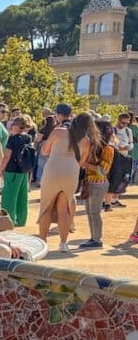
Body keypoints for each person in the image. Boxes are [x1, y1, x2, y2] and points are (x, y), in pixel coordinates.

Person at [38, 112, 95, 253]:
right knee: (64, 209)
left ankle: (43, 241)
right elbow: (81, 162)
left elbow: (45, 152)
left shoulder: (58, 131)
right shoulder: (86, 140)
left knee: (46, 206)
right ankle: (63, 243)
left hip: (53, 170)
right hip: (71, 172)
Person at [77, 122, 115, 250]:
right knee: (90, 212)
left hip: (99, 183)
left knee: (94, 212)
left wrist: (86, 164)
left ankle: (97, 239)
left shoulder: (107, 148)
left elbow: (103, 170)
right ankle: (94, 238)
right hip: (90, 182)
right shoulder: (93, 146)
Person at [0, 115, 33, 226]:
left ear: (18, 126)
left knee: (9, 196)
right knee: (22, 196)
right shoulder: (28, 137)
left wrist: (1, 169)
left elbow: (7, 156)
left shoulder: (12, 139)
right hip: (24, 171)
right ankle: (21, 220)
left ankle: (9, 220)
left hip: (12, 170)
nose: (11, 126)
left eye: (13, 124)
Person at [35, 104, 71, 186]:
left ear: (59, 114)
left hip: (59, 164)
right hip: (73, 165)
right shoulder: (76, 127)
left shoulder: (59, 128)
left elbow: (45, 151)